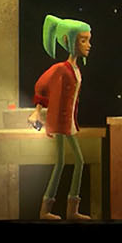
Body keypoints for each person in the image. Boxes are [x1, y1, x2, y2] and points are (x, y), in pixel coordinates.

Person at [30, 14, 93, 222]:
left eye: (88, 40)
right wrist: (37, 111)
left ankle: (68, 210)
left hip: (68, 121)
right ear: (68, 41)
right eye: (83, 40)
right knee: (65, 162)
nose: (88, 45)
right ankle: (48, 210)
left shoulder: (75, 68)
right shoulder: (60, 68)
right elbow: (41, 86)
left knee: (71, 162)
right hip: (59, 121)